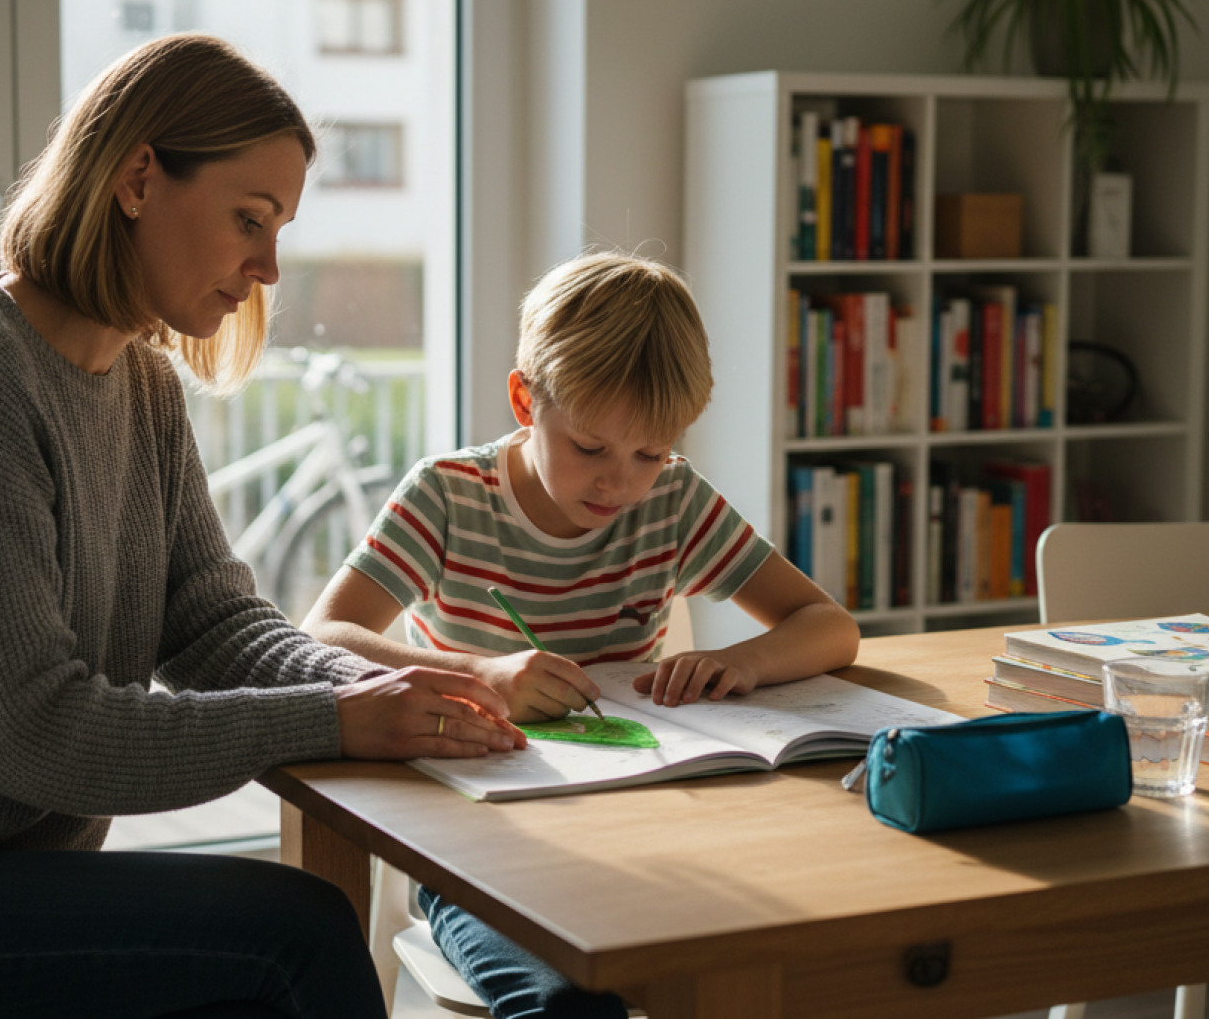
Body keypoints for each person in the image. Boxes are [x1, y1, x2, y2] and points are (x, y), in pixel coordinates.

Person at [0, 34, 521, 1019]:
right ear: (136, 177)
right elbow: (33, 733)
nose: (267, 267)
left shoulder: (140, 382)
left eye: (279, 228)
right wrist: (329, 718)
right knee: (293, 939)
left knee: (289, 936)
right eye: (248, 219)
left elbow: (211, 624)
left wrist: (374, 687)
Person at [301, 251, 862, 1019]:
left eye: (651, 453)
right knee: (566, 1006)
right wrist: (481, 673)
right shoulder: (447, 498)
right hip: (477, 838)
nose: (620, 484)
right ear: (526, 399)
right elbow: (322, 634)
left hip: (645, 825)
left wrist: (742, 661)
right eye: (591, 448)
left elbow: (829, 625)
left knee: (790, 963)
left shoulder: (672, 501)